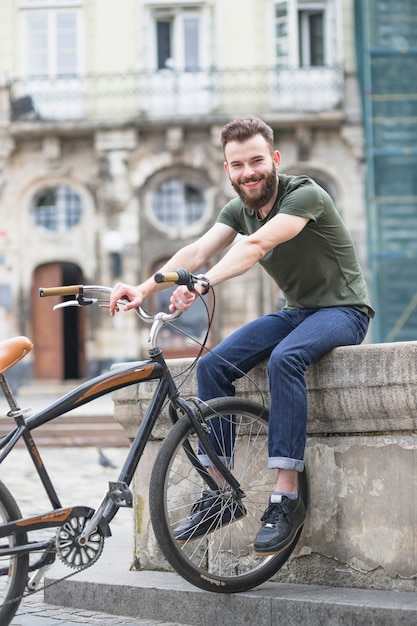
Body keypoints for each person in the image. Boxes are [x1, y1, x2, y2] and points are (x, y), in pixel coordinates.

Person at [109, 116, 374, 556]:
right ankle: (219, 488)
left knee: (287, 358)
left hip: (344, 311)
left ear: (274, 159)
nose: (248, 172)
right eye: (237, 165)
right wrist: (143, 287)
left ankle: (286, 496)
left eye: (255, 161)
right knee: (214, 365)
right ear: (227, 169)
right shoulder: (238, 210)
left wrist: (202, 283)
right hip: (296, 313)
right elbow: (196, 250)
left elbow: (254, 248)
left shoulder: (305, 194)